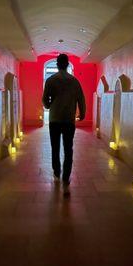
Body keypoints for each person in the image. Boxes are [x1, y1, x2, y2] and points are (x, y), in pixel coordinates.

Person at [42, 54, 86, 195]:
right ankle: (66, 178)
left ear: (57, 64)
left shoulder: (50, 80)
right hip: (68, 120)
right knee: (68, 149)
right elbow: (81, 99)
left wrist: (49, 105)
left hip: (54, 119)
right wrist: (82, 114)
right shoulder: (74, 81)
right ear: (67, 65)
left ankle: (57, 172)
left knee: (55, 147)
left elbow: (44, 100)